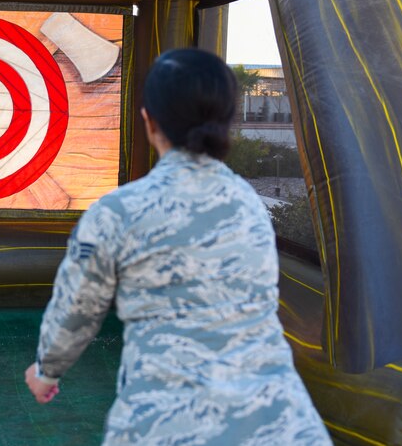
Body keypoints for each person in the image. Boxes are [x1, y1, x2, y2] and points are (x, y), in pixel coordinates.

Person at [24, 48, 331, 445]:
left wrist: (47, 371)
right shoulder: (249, 204)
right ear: (225, 121)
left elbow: (75, 310)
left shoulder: (118, 213)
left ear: (149, 120)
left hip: (165, 425)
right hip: (285, 424)